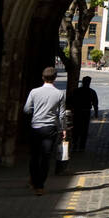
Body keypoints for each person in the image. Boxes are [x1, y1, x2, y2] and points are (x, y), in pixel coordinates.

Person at [23, 67, 67, 195]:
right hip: (50, 128)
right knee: (46, 157)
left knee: (34, 156)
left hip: (36, 127)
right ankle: (40, 186)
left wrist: (35, 111)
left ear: (43, 77)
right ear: (55, 78)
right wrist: (63, 129)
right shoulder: (60, 94)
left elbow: (26, 109)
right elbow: (62, 115)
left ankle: (33, 179)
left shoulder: (34, 92)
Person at [66, 75, 100, 152]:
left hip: (77, 111)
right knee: (84, 129)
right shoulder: (92, 92)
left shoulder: (76, 91)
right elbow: (95, 103)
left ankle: (75, 145)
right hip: (86, 112)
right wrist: (96, 113)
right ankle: (82, 146)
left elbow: (68, 101)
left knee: (76, 129)